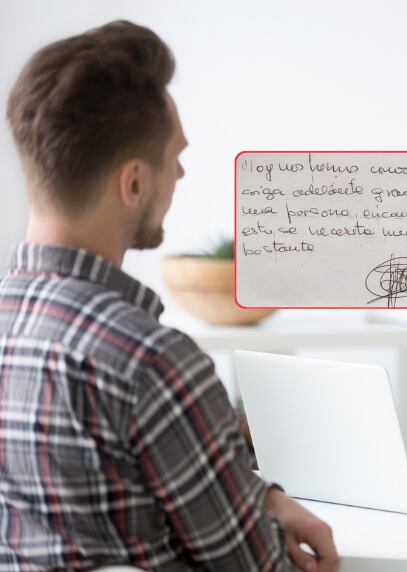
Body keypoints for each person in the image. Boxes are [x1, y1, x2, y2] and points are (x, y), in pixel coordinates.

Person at [0, 20, 339, 571]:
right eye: (174, 155)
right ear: (133, 183)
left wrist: (262, 496)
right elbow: (261, 567)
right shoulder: (149, 363)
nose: (180, 171)